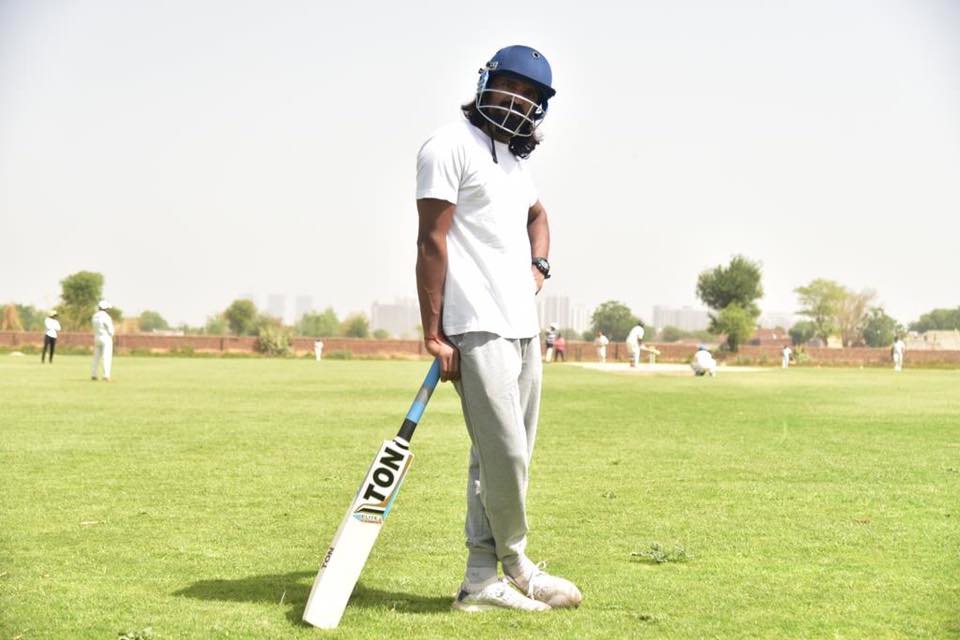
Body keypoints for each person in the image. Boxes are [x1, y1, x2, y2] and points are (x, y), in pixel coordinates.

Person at [415, 44, 581, 613]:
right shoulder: (447, 146)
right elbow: (431, 242)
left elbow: (538, 216)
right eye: (511, 85)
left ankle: (480, 580)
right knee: (504, 453)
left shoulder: (514, 163)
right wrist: (434, 334)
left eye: (531, 95)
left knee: (506, 455)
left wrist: (539, 267)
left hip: (521, 326)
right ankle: (517, 563)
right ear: (486, 82)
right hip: (474, 324)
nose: (518, 100)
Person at [90, 301, 115, 381]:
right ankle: (106, 375)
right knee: (106, 356)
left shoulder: (94, 316)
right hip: (106, 337)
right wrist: (111, 334)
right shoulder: (106, 317)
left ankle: (94, 374)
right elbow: (110, 329)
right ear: (106, 308)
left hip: (97, 336)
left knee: (96, 357)